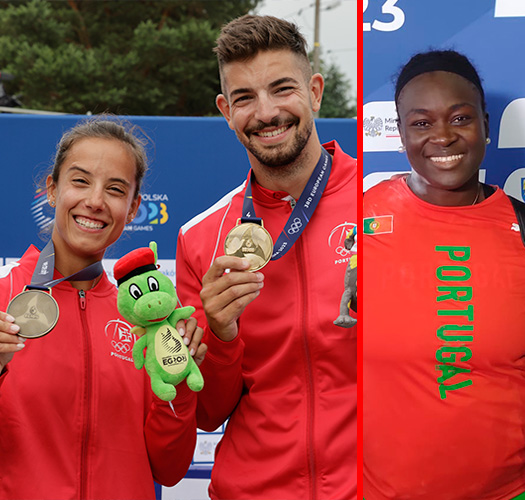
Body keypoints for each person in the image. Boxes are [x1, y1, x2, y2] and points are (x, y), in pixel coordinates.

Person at [175, 15, 357, 500]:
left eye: (282, 89)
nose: (266, 112)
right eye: (244, 98)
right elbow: (209, 412)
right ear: (225, 111)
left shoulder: (383, 201)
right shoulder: (201, 238)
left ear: (315, 91)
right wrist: (220, 333)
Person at [363, 50, 525, 500]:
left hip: (520, 487)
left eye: (460, 118)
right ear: (402, 132)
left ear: (485, 123)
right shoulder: (363, 217)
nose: (442, 137)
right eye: (422, 123)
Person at [0, 116, 205, 499]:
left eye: (115, 189)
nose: (95, 201)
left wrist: (175, 386)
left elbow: (171, 468)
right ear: (52, 189)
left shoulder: (147, 322)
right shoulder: (3, 298)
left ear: (132, 208)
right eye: (80, 181)